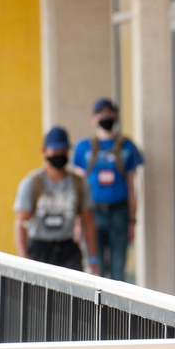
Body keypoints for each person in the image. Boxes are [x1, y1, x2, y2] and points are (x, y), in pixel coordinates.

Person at [72, 98, 144, 281]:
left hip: (120, 213)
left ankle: (116, 310)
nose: (106, 117)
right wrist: (78, 221)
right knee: (96, 268)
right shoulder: (84, 148)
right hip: (93, 213)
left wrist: (132, 220)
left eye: (110, 113)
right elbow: (78, 187)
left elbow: (132, 185)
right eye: (101, 114)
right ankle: (98, 309)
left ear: (117, 116)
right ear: (93, 119)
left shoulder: (127, 147)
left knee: (118, 269)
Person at [14, 126, 100, 275]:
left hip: (68, 249)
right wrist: (24, 259)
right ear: (44, 151)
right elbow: (21, 223)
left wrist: (92, 257)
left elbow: (88, 221)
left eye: (63, 150)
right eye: (55, 151)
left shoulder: (78, 184)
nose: (60, 155)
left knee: (72, 296)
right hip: (40, 248)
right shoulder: (32, 184)